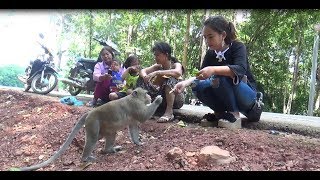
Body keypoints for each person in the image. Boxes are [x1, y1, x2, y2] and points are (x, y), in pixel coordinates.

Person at [173, 16, 264, 129]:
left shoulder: (238, 47)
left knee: (219, 76)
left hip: (248, 100)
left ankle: (233, 115)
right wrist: (185, 83)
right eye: (205, 38)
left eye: (210, 37)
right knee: (197, 85)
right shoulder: (211, 53)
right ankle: (220, 114)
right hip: (226, 94)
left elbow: (240, 69)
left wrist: (213, 69)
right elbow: (201, 76)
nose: (207, 41)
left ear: (223, 35)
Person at [136, 41, 185, 123]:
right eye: (155, 55)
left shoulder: (176, 65)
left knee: (170, 78)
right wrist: (145, 77)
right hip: (161, 98)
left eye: (157, 55)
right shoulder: (157, 66)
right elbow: (142, 71)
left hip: (177, 99)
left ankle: (169, 112)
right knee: (140, 79)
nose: (155, 57)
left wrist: (158, 72)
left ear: (166, 55)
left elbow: (178, 72)